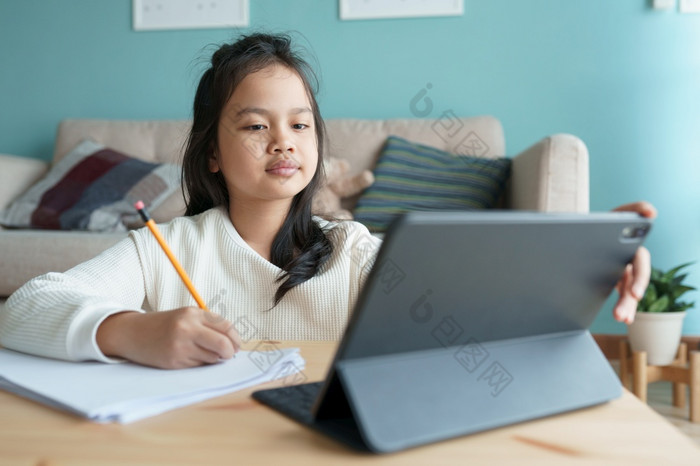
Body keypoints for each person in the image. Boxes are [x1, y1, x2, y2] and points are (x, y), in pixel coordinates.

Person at [0, 33, 655, 370]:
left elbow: (476, 310)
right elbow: (24, 309)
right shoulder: (163, 249)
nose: (283, 140)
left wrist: (583, 263)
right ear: (210, 153)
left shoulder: (356, 251)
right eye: (255, 125)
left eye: (301, 122)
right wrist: (130, 330)